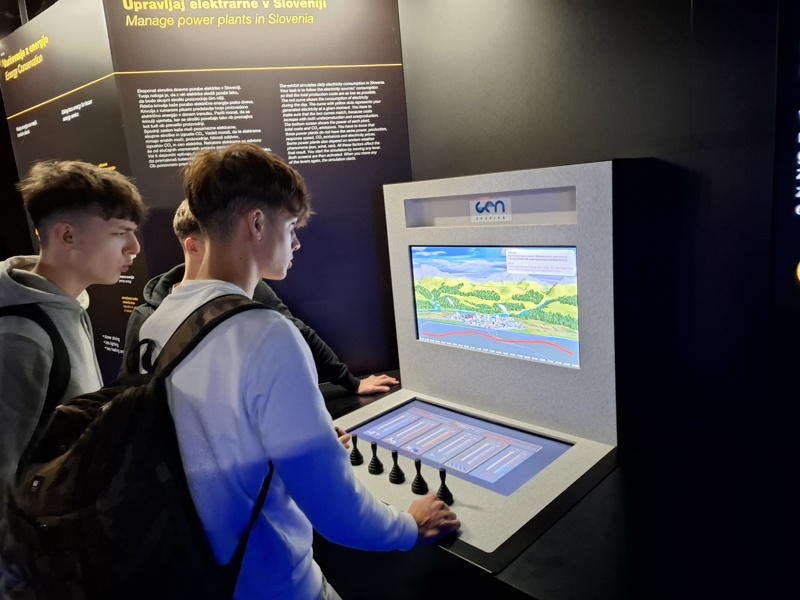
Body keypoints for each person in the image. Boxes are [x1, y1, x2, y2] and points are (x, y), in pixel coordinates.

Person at [137, 143, 460, 599]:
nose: (296, 243)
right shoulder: (265, 333)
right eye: (290, 227)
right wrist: (410, 525)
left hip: (194, 577)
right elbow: (337, 514)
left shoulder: (158, 322)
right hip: (272, 583)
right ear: (256, 223)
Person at [0, 160, 147, 599]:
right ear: (67, 235)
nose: (134, 247)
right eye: (120, 232)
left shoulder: (66, 303)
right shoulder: (20, 336)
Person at [122, 199, 399, 395]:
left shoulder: (257, 298)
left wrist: (351, 383)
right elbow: (130, 395)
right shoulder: (149, 318)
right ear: (193, 247)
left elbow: (297, 330)